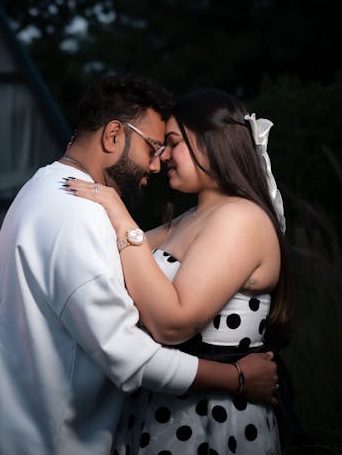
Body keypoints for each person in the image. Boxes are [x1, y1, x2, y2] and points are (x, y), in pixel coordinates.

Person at [0, 76, 278, 455]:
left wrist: (120, 217)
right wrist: (236, 378)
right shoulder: (76, 211)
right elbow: (126, 351)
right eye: (157, 146)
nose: (158, 163)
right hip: (45, 439)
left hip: (201, 424)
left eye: (171, 146)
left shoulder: (47, 188)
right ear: (112, 136)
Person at [65, 87, 292, 454]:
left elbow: (173, 323)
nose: (163, 157)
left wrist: (121, 216)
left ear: (212, 141)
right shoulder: (192, 219)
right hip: (161, 413)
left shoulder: (240, 218)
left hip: (213, 423)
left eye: (172, 143)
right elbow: (116, 258)